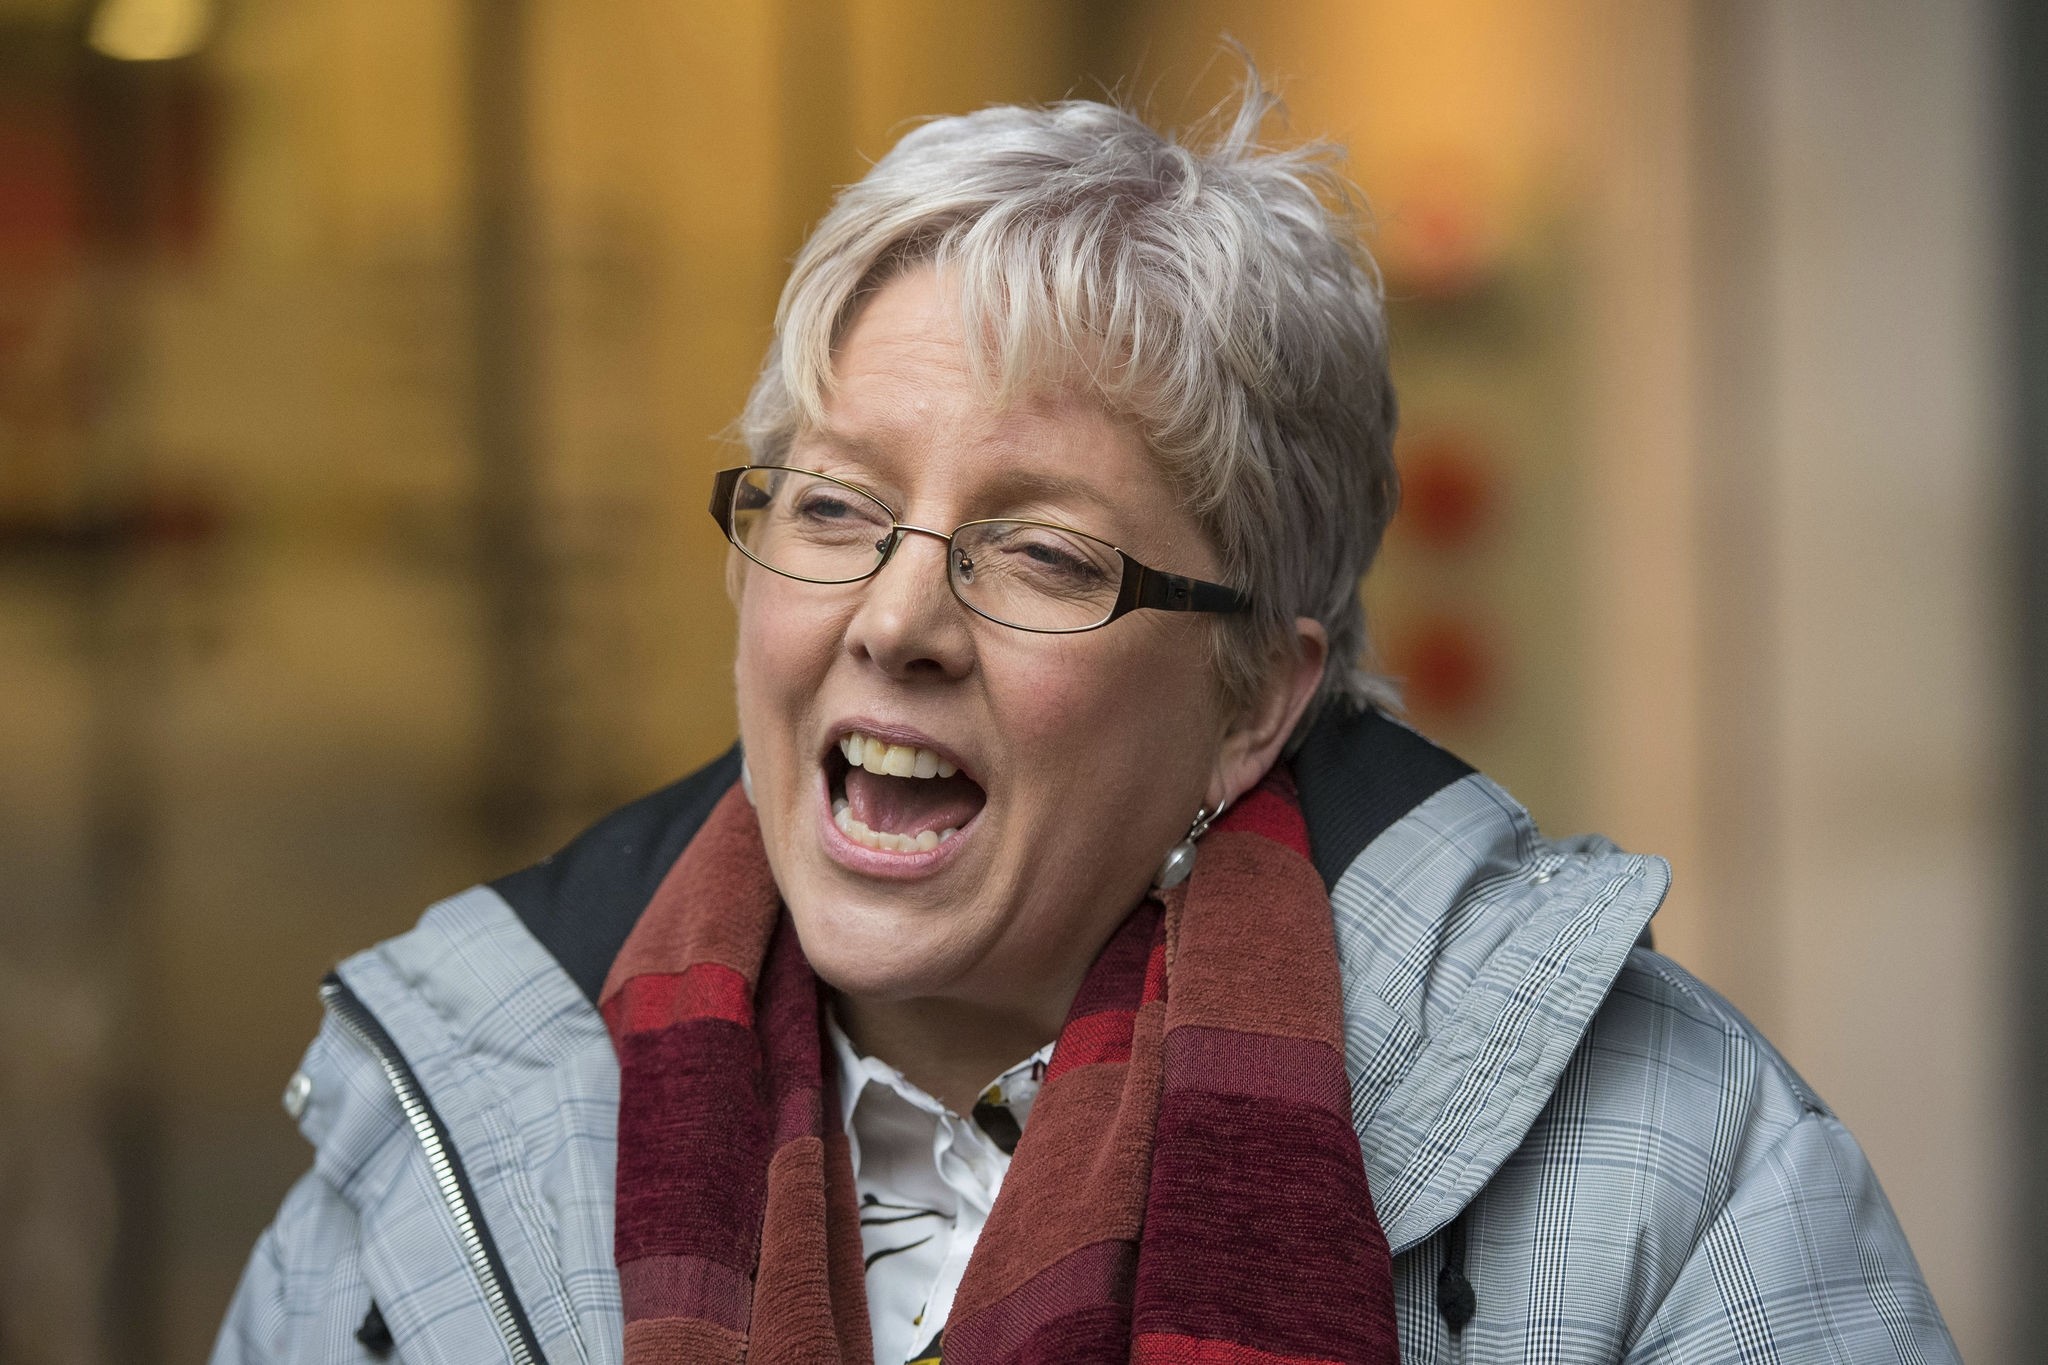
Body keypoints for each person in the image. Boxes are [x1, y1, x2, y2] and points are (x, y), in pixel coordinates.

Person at [212, 73, 1957, 1365]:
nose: (895, 618)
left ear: (1255, 696)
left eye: (1039, 551)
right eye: (831, 508)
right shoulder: (429, 1146)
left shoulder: (1675, 1164)